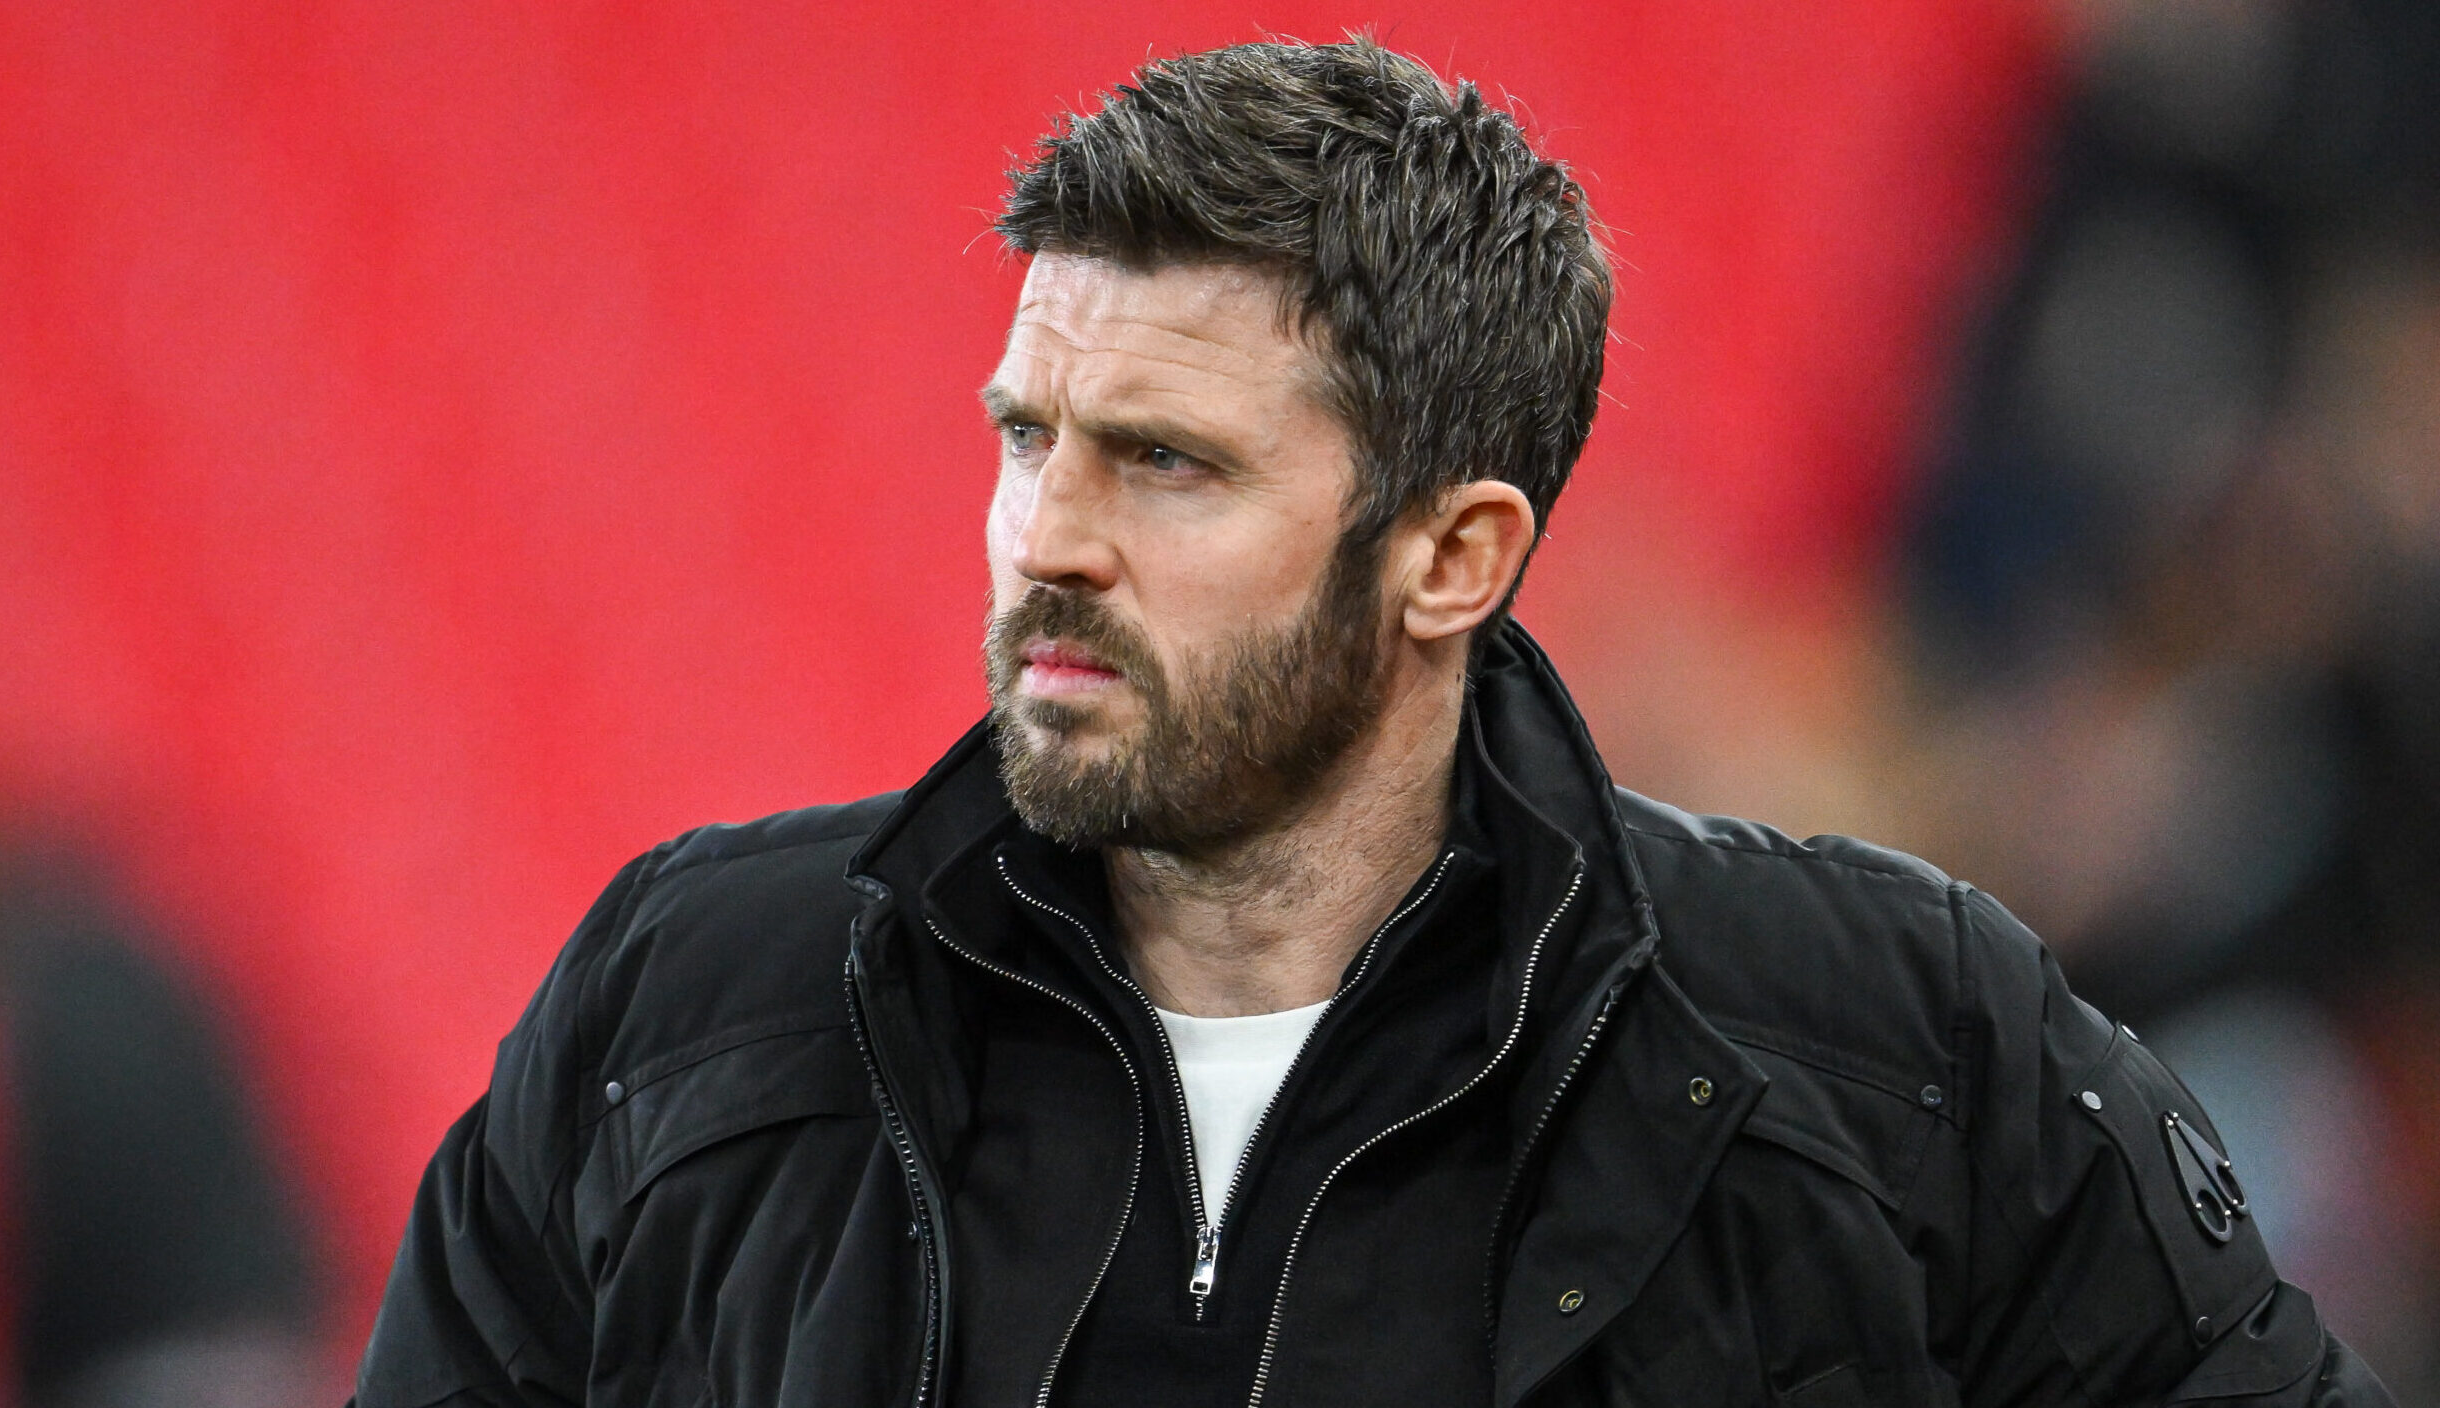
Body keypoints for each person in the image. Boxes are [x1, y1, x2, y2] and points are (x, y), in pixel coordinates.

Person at [352, 38, 2391, 1408]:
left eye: (1164, 464)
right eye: (1026, 439)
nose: (1047, 537)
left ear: (1450, 553)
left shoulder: (1897, 1052)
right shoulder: (685, 1015)